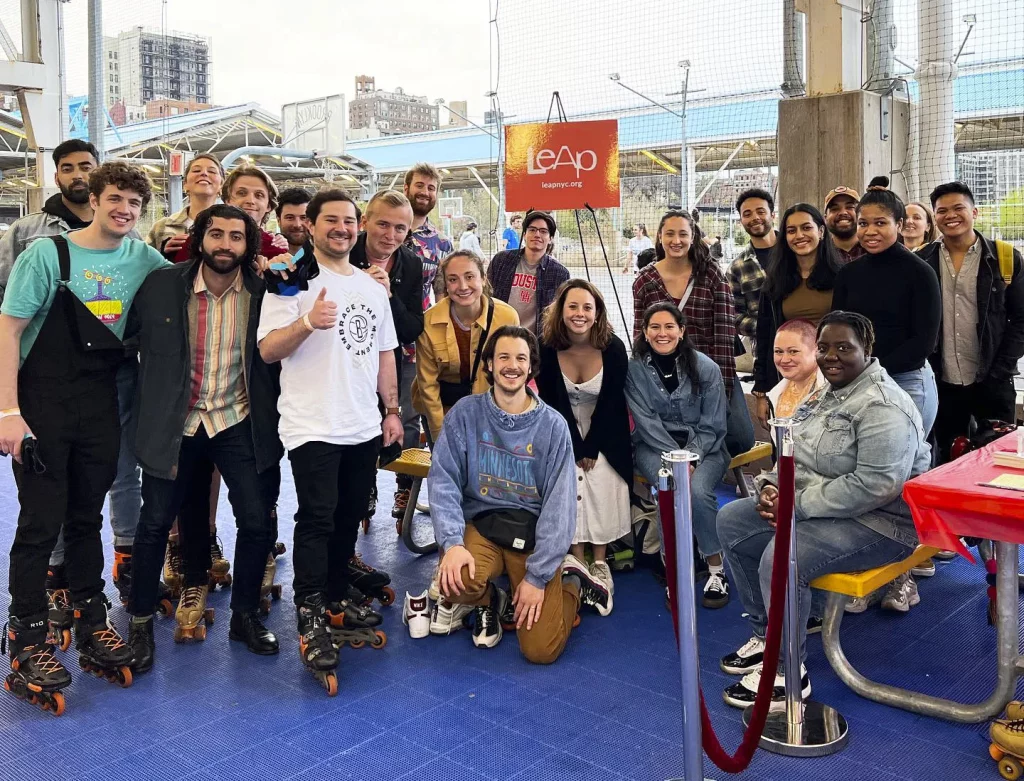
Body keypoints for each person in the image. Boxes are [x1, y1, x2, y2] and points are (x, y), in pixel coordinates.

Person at [0, 162, 169, 711]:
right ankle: (25, 638)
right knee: (40, 521)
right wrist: (7, 411)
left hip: (99, 401)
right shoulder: (47, 255)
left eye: (135, 204)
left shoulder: (143, 258)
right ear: (93, 200)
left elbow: (195, 285)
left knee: (85, 519)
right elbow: (8, 330)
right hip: (43, 401)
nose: (124, 210)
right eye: (115, 198)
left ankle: (90, 617)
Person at [717, 312, 930, 708]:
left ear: (868, 351)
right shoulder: (826, 393)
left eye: (844, 347)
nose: (832, 356)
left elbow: (877, 486)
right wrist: (771, 489)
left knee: (783, 557)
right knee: (732, 520)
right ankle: (769, 637)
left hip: (883, 524)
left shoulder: (884, 406)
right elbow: (795, 455)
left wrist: (793, 505)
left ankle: (786, 669)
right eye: (825, 348)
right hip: (821, 509)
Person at [126, 205, 282, 670]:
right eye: (216, 234)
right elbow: (129, 338)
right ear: (200, 237)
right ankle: (138, 623)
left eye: (237, 237)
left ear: (248, 245)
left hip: (237, 418)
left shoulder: (263, 290)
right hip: (176, 421)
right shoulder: (161, 286)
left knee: (256, 520)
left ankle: (245, 616)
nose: (225, 245)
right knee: (155, 522)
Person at [257, 188, 402, 688]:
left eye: (348, 221)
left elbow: (385, 351)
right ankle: (311, 609)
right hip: (312, 422)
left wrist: (392, 410)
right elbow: (269, 350)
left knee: (348, 515)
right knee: (317, 517)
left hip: (363, 422)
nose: (341, 228)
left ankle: (338, 597)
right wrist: (307, 321)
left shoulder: (371, 285)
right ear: (312, 227)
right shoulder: (289, 280)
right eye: (331, 221)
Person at [428, 325, 609, 658]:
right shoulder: (465, 415)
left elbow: (560, 509)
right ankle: (491, 599)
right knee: (452, 580)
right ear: (490, 365)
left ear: (531, 367)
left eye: (520, 358)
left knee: (541, 651)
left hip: (532, 534)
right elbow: (443, 482)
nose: (512, 365)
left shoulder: (553, 427)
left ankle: (573, 584)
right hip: (482, 526)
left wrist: (538, 578)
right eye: (504, 357)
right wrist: (451, 544)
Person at [536, 280, 632, 612]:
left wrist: (591, 446)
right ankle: (576, 555)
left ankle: (601, 558)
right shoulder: (546, 347)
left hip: (606, 429)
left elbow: (611, 402)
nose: (580, 314)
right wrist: (575, 447)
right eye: (573, 307)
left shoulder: (614, 348)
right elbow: (552, 403)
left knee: (602, 474)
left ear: (597, 313)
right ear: (561, 311)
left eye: (587, 308)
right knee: (569, 474)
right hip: (561, 429)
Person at [626, 302, 730, 607]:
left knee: (697, 491)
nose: (662, 333)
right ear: (644, 332)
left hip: (706, 448)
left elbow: (713, 426)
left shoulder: (706, 368)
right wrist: (677, 459)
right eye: (654, 327)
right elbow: (645, 423)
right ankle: (676, 573)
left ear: (681, 331)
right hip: (654, 447)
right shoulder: (634, 371)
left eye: (669, 326)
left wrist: (692, 457)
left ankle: (716, 569)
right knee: (669, 489)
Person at [632, 209, 754, 458]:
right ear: (659, 236)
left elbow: (723, 336)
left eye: (683, 234)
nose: (676, 241)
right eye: (670, 234)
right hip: (665, 374)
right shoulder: (645, 281)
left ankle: (699, 452)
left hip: (709, 372)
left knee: (740, 438)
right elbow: (640, 336)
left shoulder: (711, 276)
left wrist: (724, 389)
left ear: (693, 237)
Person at [919, 181, 1024, 461]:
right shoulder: (922, 260)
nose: (950, 215)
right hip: (942, 381)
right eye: (942, 210)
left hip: (993, 381)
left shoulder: (1004, 258)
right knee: (946, 459)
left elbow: (1021, 320)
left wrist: (1000, 369)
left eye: (958, 208)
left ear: (974, 212)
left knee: (997, 458)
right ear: (934, 217)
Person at [832, 178, 941, 434]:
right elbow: (837, 329)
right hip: (857, 381)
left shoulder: (920, 272)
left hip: (906, 381)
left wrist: (872, 371)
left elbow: (924, 342)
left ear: (899, 224)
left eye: (880, 223)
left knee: (908, 461)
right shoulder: (848, 273)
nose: (870, 231)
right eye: (863, 223)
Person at [349, 190, 424, 529]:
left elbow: (411, 328)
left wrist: (387, 295)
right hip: (347, 366)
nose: (390, 236)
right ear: (365, 222)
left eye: (400, 228)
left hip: (391, 361)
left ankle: (403, 488)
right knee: (356, 436)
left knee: (402, 426)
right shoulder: (341, 250)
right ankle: (361, 494)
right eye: (383, 225)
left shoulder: (410, 264)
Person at [412, 251, 519, 446]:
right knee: (448, 469)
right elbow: (428, 385)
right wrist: (440, 436)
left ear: (484, 279)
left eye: (469, 277)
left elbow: (513, 372)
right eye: (453, 279)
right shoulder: (429, 322)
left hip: (489, 411)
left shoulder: (507, 317)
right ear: (445, 284)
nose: (462, 286)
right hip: (442, 407)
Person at [751, 204, 842, 428]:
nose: (799, 235)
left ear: (821, 231)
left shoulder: (843, 277)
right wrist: (762, 391)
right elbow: (764, 338)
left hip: (834, 377)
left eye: (806, 228)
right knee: (785, 448)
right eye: (791, 230)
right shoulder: (774, 283)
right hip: (789, 377)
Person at [0, 140, 101, 301]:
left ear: (99, 174)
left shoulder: (123, 233)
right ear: (56, 178)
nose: (77, 175)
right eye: (67, 169)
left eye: (86, 168)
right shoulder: (25, 231)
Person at [488, 210, 570, 335]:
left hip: (535, 341)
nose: (537, 234)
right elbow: (485, 295)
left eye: (543, 231)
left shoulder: (559, 273)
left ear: (550, 238)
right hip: (498, 335)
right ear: (525, 234)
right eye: (532, 230)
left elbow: (559, 313)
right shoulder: (501, 260)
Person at [729, 188, 777, 373]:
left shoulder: (795, 252)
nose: (755, 217)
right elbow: (734, 316)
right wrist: (768, 326)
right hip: (766, 355)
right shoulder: (737, 268)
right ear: (741, 221)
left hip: (810, 347)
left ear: (772, 214)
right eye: (747, 214)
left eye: (761, 211)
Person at [146, 152, 225, 262]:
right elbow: (143, 266)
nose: (204, 173)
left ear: (221, 185)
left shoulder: (233, 226)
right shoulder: (162, 227)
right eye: (196, 170)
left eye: (211, 171)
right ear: (185, 184)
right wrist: (162, 257)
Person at [403, 162, 453, 309]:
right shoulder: (384, 232)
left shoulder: (442, 243)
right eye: (419, 185)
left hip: (419, 325)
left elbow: (442, 294)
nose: (425, 192)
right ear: (406, 189)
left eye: (431, 188)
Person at [766, 319, 828, 419]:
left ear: (816, 351)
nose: (784, 360)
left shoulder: (832, 391)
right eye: (778, 351)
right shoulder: (775, 394)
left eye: (793, 351)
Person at [823, 185, 864, 263]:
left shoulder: (874, 248)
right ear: (825, 218)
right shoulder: (820, 255)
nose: (843, 212)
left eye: (850, 207)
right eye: (835, 209)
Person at [276, 188, 312, 255]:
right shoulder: (262, 256)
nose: (297, 225)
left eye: (304, 218)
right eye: (290, 217)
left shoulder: (323, 258)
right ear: (278, 221)